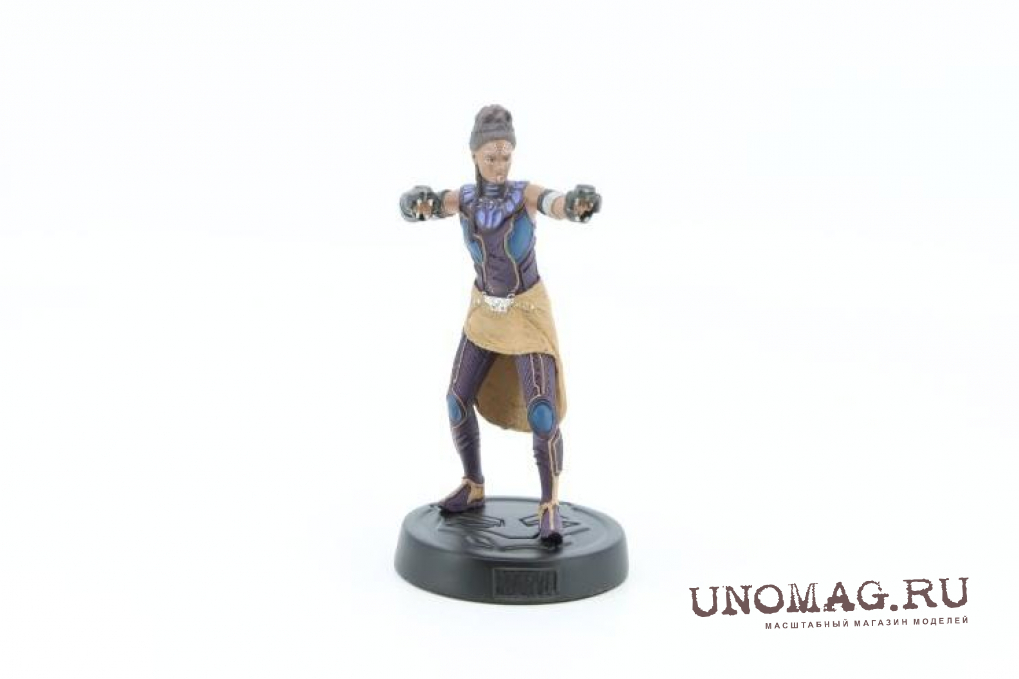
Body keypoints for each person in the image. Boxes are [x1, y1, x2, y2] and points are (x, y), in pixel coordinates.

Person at [399, 104, 600, 544]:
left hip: (525, 314)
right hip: (484, 313)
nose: (498, 165)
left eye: (505, 156)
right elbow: (428, 205)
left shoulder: (524, 194)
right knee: (456, 401)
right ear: (474, 154)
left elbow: (555, 203)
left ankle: (549, 503)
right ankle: (473, 484)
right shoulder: (465, 199)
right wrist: (414, 204)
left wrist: (576, 205)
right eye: (490, 156)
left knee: (542, 411)